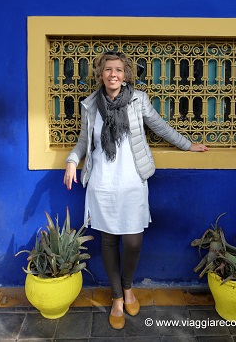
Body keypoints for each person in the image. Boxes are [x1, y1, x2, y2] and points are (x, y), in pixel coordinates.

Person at [63, 51, 209, 330]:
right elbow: (83, 142)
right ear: (100, 74)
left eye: (118, 69)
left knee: (132, 241)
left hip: (132, 181)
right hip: (103, 182)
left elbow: (159, 127)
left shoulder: (138, 100)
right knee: (108, 241)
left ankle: (128, 287)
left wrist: (188, 145)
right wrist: (72, 161)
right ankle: (118, 297)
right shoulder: (90, 105)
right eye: (108, 69)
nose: (113, 74)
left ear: (126, 74)